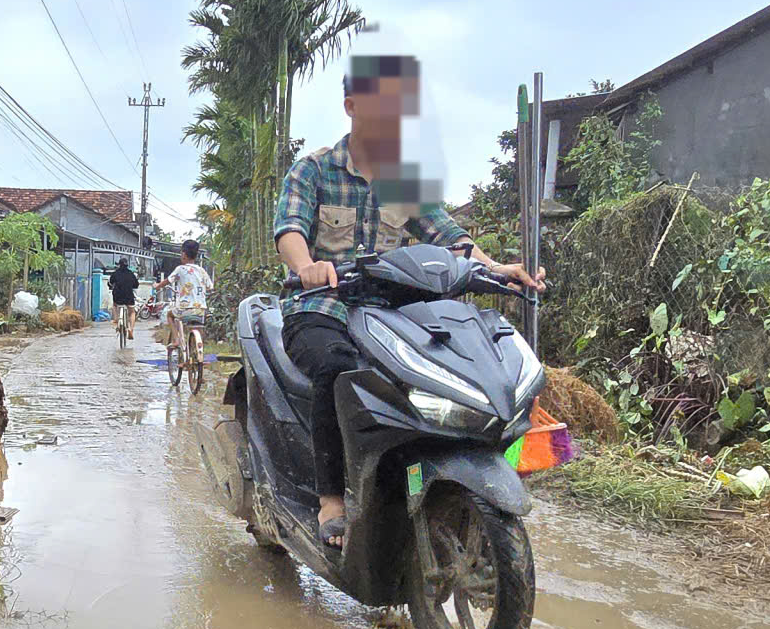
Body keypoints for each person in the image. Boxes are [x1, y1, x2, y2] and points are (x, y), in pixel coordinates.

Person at [273, 52, 544, 547]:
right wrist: (306, 266)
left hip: (393, 316)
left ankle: (416, 480)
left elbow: (450, 237)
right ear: (352, 106)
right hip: (322, 307)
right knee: (338, 369)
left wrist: (496, 268)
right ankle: (331, 497)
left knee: (446, 366)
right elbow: (290, 230)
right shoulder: (313, 171)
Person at [166, 239, 215, 391]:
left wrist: (156, 285)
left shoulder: (180, 269)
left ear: (184, 254)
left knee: (170, 315)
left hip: (184, 308)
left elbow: (167, 281)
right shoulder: (202, 271)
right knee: (197, 329)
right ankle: (197, 355)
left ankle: (175, 340)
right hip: (200, 309)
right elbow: (210, 287)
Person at [107, 257, 141, 342]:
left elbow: (110, 283)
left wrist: (111, 286)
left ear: (119, 265)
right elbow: (136, 285)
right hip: (129, 296)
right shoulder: (131, 274)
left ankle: (116, 320)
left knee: (115, 306)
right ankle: (131, 329)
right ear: (127, 265)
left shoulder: (115, 273)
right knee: (132, 312)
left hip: (117, 296)